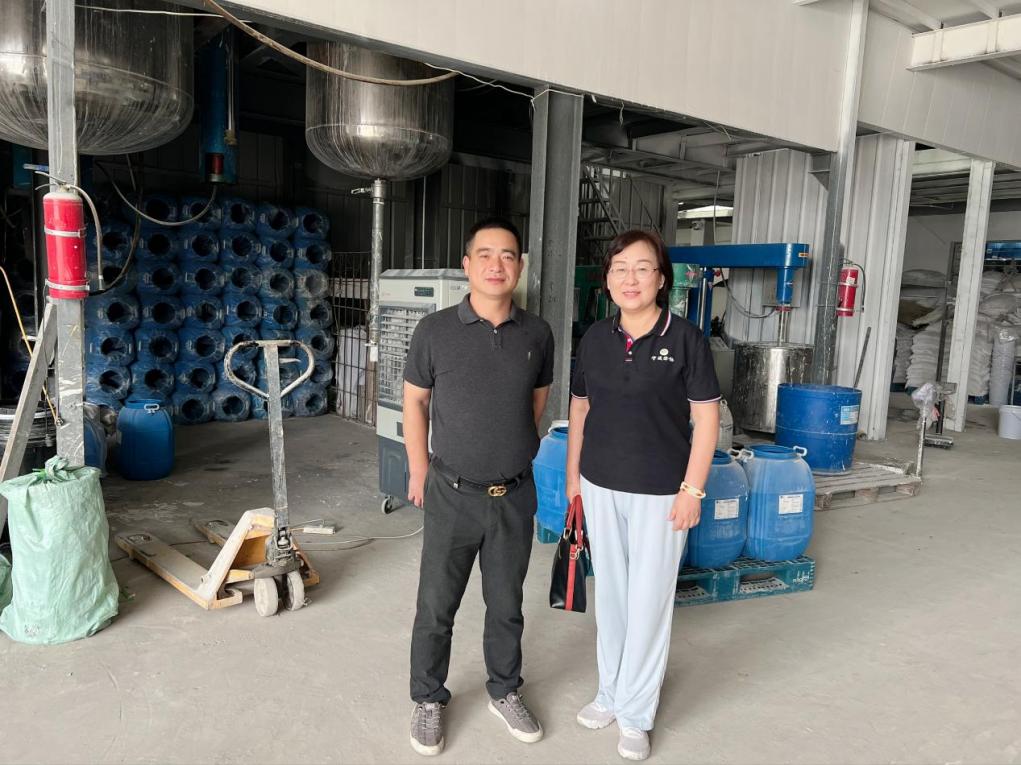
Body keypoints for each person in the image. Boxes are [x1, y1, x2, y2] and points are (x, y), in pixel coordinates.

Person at [566, 229, 721, 761]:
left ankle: (635, 714)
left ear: (661, 279)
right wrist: (573, 479)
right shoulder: (595, 338)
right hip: (600, 483)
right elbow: (580, 407)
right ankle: (610, 693)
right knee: (612, 595)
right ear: (607, 280)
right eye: (619, 268)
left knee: (649, 602)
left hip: (661, 491)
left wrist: (692, 489)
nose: (629, 279)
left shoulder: (687, 339)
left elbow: (706, 419)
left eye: (642, 268)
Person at [403, 217, 555, 757]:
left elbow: (535, 403)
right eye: (485, 255)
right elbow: (415, 401)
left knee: (507, 603)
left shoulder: (537, 334)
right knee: (436, 605)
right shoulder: (435, 331)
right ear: (467, 265)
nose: (497, 264)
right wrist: (418, 470)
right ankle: (428, 698)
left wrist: (508, 451)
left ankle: (504, 689)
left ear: (520, 266)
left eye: (508, 255)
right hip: (452, 492)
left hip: (514, 494)